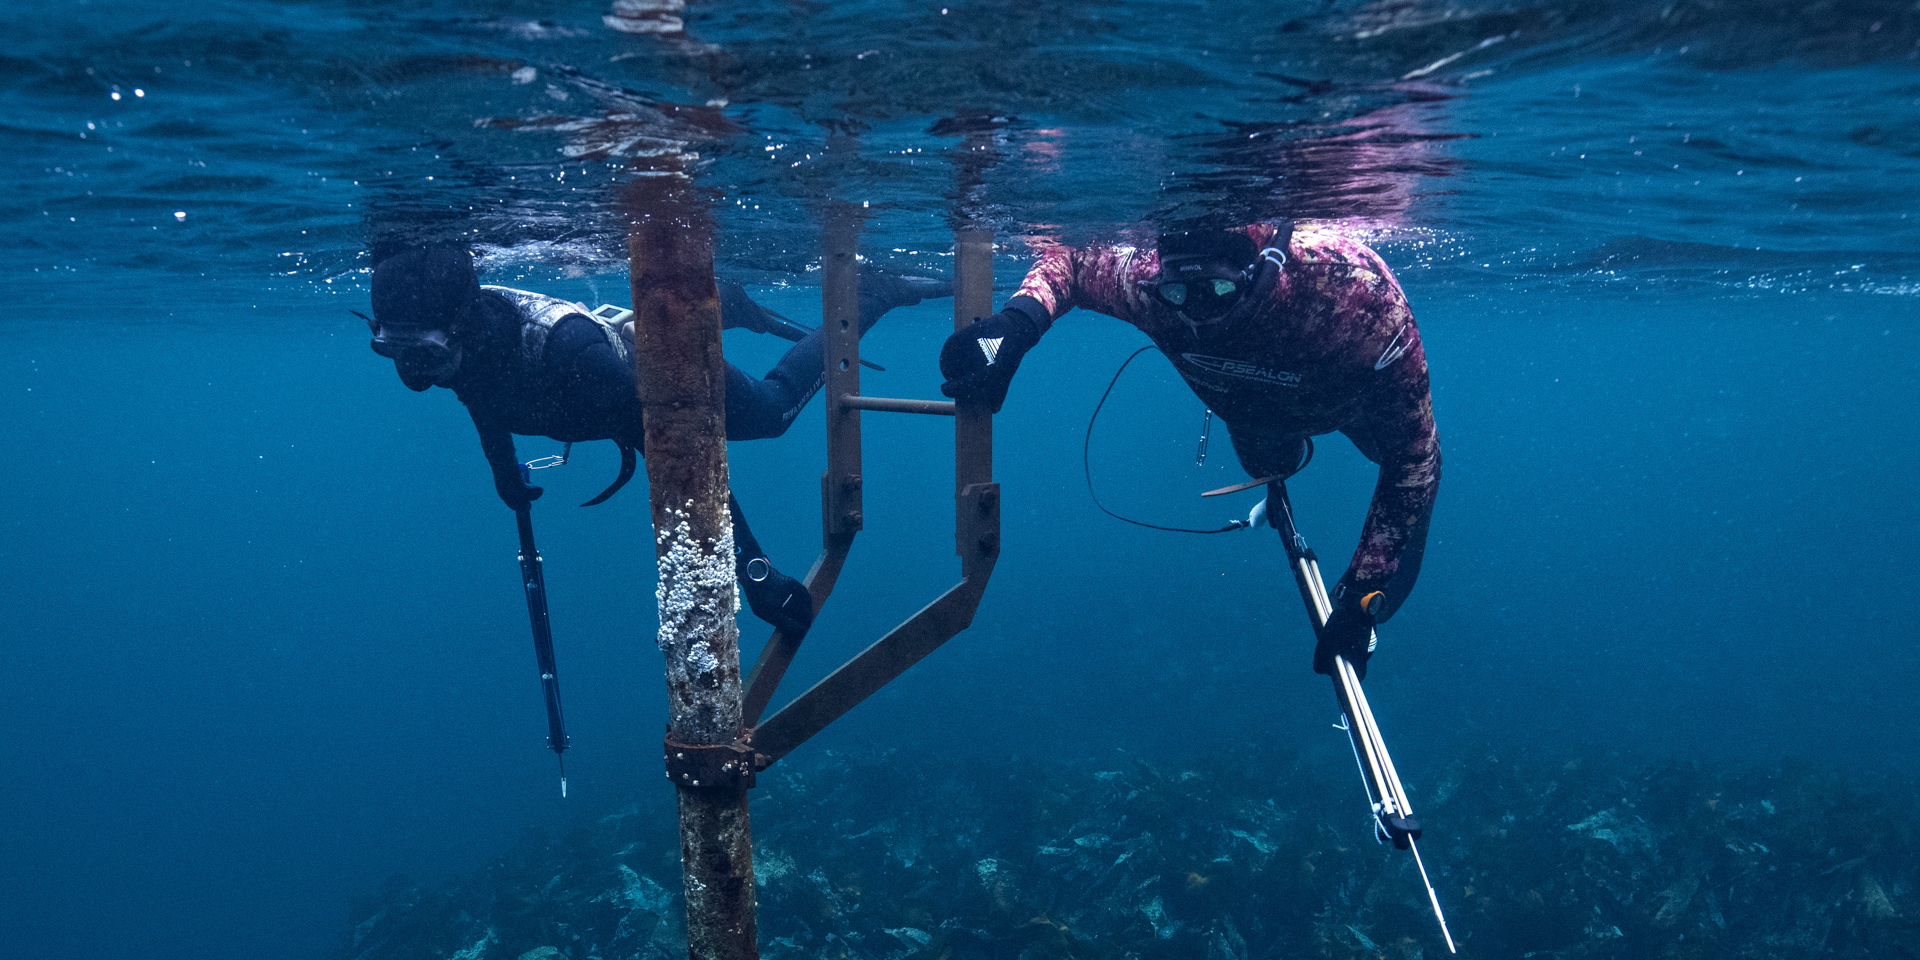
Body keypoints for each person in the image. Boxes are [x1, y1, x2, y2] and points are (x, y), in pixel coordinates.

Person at [367, 244, 949, 639]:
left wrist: (755, 574)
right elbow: (479, 395)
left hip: (661, 380)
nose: (412, 375)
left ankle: (870, 293)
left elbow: (679, 446)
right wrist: (502, 471)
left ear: (461, 331)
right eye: (392, 352)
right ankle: (730, 307)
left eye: (424, 355)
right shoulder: (464, 352)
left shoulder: (569, 357)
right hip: (604, 401)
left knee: (772, 412)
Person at [938, 221, 1437, 679]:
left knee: (1403, 464)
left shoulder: (1356, 299)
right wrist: (1018, 325)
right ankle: (1278, 471)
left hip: (1348, 404)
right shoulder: (1147, 285)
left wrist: (1362, 594)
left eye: (1219, 291)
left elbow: (1413, 458)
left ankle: (1382, 595)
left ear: (1262, 271)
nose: (1199, 316)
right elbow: (1072, 262)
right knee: (1267, 464)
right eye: (1179, 294)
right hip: (1247, 412)